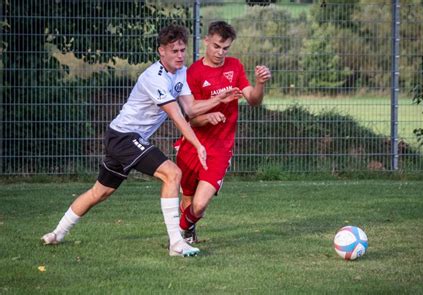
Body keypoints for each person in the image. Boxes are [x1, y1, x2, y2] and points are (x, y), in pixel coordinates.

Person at [41, 24, 239, 257]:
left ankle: (57, 233)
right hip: (124, 137)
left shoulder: (181, 72)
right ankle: (177, 243)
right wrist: (198, 144)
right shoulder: (153, 78)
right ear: (161, 51)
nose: (179, 55)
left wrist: (219, 98)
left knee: (100, 192)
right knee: (173, 174)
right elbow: (177, 116)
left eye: (182, 50)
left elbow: (191, 108)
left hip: (123, 138)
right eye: (174, 51)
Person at [175, 21, 271, 243]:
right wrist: (208, 116)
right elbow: (191, 118)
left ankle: (179, 231)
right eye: (217, 46)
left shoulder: (235, 67)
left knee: (199, 205)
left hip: (220, 149)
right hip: (192, 145)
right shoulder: (194, 73)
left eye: (225, 48)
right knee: (188, 199)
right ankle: (187, 233)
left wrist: (259, 84)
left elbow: (253, 100)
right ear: (207, 41)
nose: (220, 52)